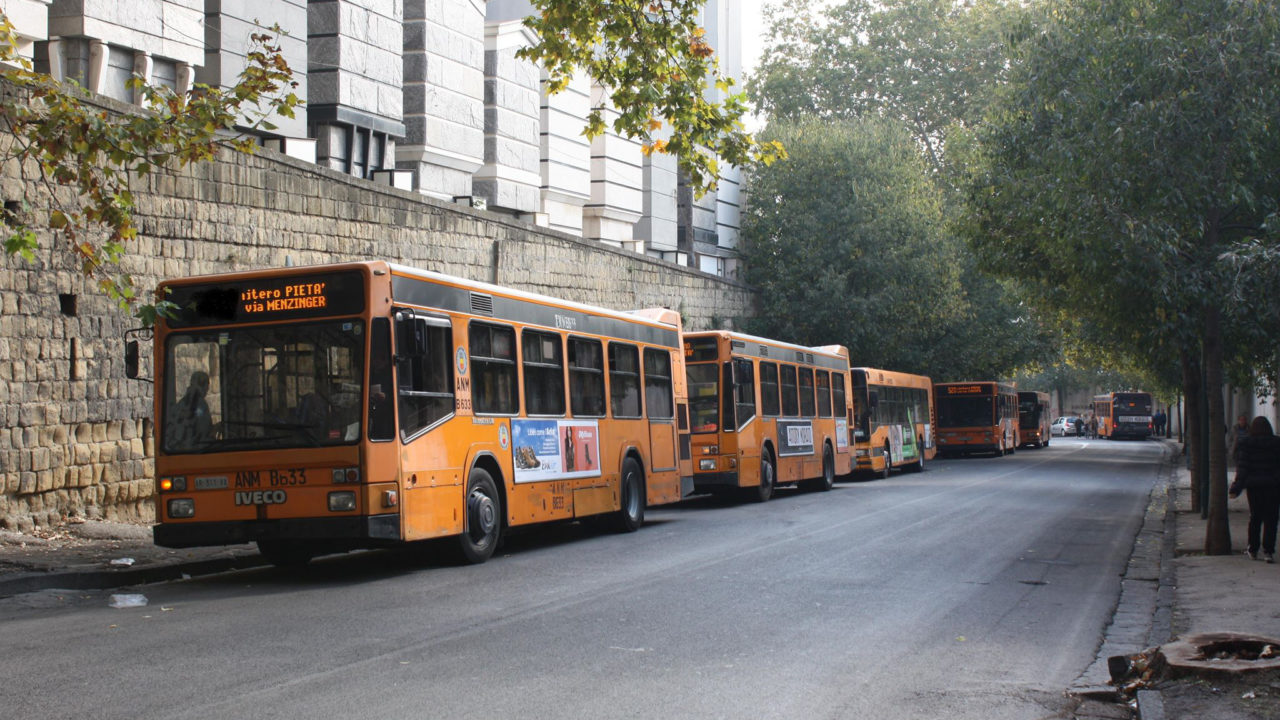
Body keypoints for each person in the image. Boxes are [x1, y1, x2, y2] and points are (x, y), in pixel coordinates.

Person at [1228, 416, 1280, 563]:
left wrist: (1236, 488)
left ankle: (1253, 549)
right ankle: (1268, 551)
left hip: (1254, 487)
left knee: (1255, 518)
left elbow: (1243, 468)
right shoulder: (1276, 443)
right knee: (1272, 519)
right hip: (1273, 486)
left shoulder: (1247, 444)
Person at [168, 371, 212, 448]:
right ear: (204, 385)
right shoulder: (200, 403)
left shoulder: (183, 402)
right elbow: (202, 430)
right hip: (195, 448)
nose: (207, 389)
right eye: (207, 385)